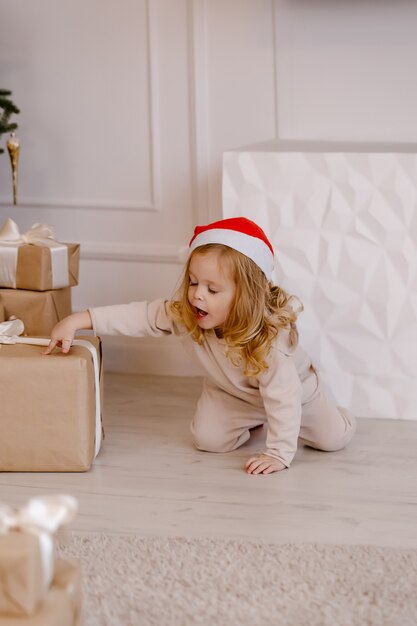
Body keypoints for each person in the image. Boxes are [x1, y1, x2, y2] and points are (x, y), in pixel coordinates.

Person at [44, 217, 356, 474]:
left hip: (296, 395)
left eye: (212, 289)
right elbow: (139, 315)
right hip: (235, 394)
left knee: (332, 439)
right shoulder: (186, 314)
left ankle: (337, 414)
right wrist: (80, 319)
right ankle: (258, 421)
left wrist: (278, 453)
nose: (197, 295)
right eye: (193, 282)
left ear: (244, 296)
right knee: (208, 439)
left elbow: (284, 397)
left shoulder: (268, 343)